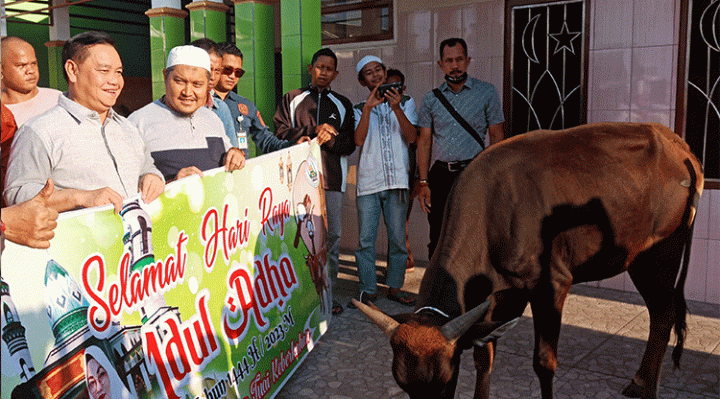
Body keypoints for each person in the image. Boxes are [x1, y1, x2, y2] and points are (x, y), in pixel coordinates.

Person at [3, 31, 165, 213]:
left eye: (118, 72)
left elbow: (147, 168)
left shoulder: (128, 128)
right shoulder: (38, 132)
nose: (115, 81)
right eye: (104, 71)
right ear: (73, 70)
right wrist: (79, 197)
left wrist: (152, 177)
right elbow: (16, 195)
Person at [273, 48, 355, 315]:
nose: (323, 72)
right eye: (319, 67)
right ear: (311, 68)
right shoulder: (293, 99)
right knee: (299, 239)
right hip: (296, 184)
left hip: (330, 182)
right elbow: (281, 132)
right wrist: (312, 130)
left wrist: (328, 138)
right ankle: (302, 295)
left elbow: (348, 145)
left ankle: (329, 293)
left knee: (331, 237)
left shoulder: (343, 103)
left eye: (329, 68)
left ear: (335, 73)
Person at [417, 37, 504, 259]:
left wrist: (495, 177)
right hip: (440, 175)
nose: (454, 66)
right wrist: (424, 182)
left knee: (476, 233)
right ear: (441, 64)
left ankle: (473, 289)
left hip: (475, 173)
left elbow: (497, 135)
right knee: (438, 235)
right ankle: (438, 290)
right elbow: (424, 141)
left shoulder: (487, 92)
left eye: (459, 59)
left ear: (467, 60)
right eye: (449, 61)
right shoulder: (431, 99)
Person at [350, 56, 418, 307]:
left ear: (385, 71)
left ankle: (395, 287)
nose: (375, 75)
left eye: (378, 69)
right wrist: (368, 108)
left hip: (397, 181)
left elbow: (412, 137)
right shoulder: (358, 108)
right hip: (368, 182)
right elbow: (358, 140)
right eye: (369, 73)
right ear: (362, 80)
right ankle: (368, 288)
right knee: (366, 240)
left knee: (398, 239)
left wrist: (396, 108)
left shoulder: (407, 102)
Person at [128, 45, 245, 182]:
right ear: (165, 76)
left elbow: (228, 155)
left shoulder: (213, 118)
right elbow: (126, 188)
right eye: (179, 81)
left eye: (197, 84)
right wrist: (173, 185)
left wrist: (234, 154)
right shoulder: (137, 123)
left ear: (208, 84)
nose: (187, 92)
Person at [214, 42, 279, 157]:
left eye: (238, 72)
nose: (232, 76)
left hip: (240, 172)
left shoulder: (246, 105)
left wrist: (294, 144)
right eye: (228, 70)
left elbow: (267, 140)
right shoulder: (200, 103)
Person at [385, 68, 419, 271]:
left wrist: (416, 177)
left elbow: (414, 139)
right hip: (382, 174)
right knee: (392, 223)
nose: (393, 90)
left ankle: (401, 263)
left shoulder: (407, 104)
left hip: (405, 173)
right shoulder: (374, 106)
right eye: (388, 86)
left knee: (401, 222)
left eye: (397, 86)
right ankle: (399, 262)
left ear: (403, 88)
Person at [1, 36, 61, 127]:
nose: (31, 71)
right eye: (21, 65)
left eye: (34, 63)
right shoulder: (3, 114)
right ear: (1, 69)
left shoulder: (57, 99)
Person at [189, 38, 237, 147]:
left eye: (218, 71)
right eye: (209, 69)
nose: (213, 77)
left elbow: (232, 149)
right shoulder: (170, 109)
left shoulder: (221, 109)